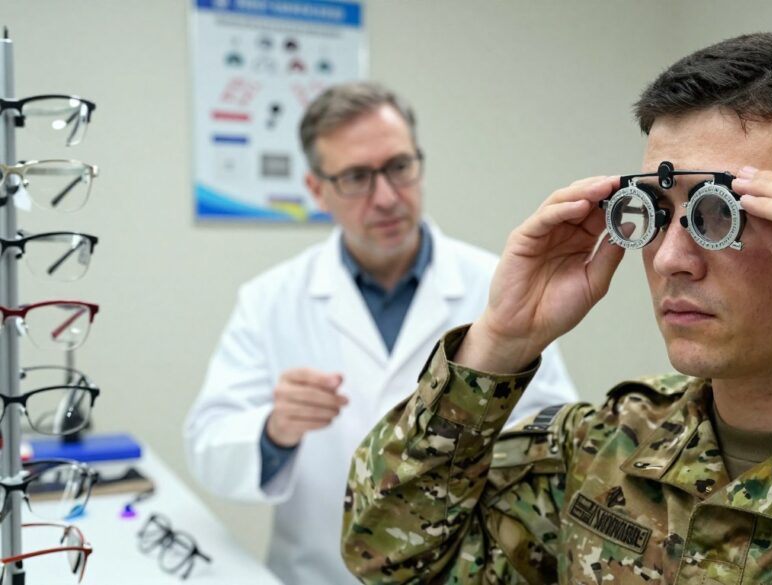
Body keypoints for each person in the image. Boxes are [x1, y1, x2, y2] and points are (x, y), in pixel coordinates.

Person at [342, 33, 772, 585]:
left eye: (717, 214)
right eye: (656, 213)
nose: (670, 258)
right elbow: (387, 556)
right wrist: (498, 341)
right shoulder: (605, 448)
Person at [183, 82, 577, 585]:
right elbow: (207, 443)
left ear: (419, 161)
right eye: (355, 177)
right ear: (316, 189)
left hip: (462, 572)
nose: (387, 197)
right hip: (316, 574)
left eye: (398, 167)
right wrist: (274, 430)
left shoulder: (497, 284)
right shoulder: (270, 300)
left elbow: (549, 436)